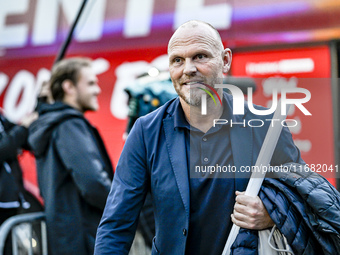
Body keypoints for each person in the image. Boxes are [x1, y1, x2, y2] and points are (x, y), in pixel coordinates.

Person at [94, 20, 340, 255]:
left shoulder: (266, 125)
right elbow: (117, 222)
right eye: (177, 60)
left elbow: (304, 196)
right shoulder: (146, 131)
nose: (188, 69)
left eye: (200, 56)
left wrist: (272, 214)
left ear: (225, 60)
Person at [28, 57, 114, 255]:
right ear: (69, 87)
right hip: (85, 240)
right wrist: (123, 208)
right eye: (91, 83)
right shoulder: (69, 125)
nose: (97, 90)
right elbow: (93, 183)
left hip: (69, 239)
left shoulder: (55, 124)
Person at [0, 111, 38, 254]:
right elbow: (4, 147)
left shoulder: (2, 116)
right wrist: (23, 128)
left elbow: (18, 136)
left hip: (9, 202)